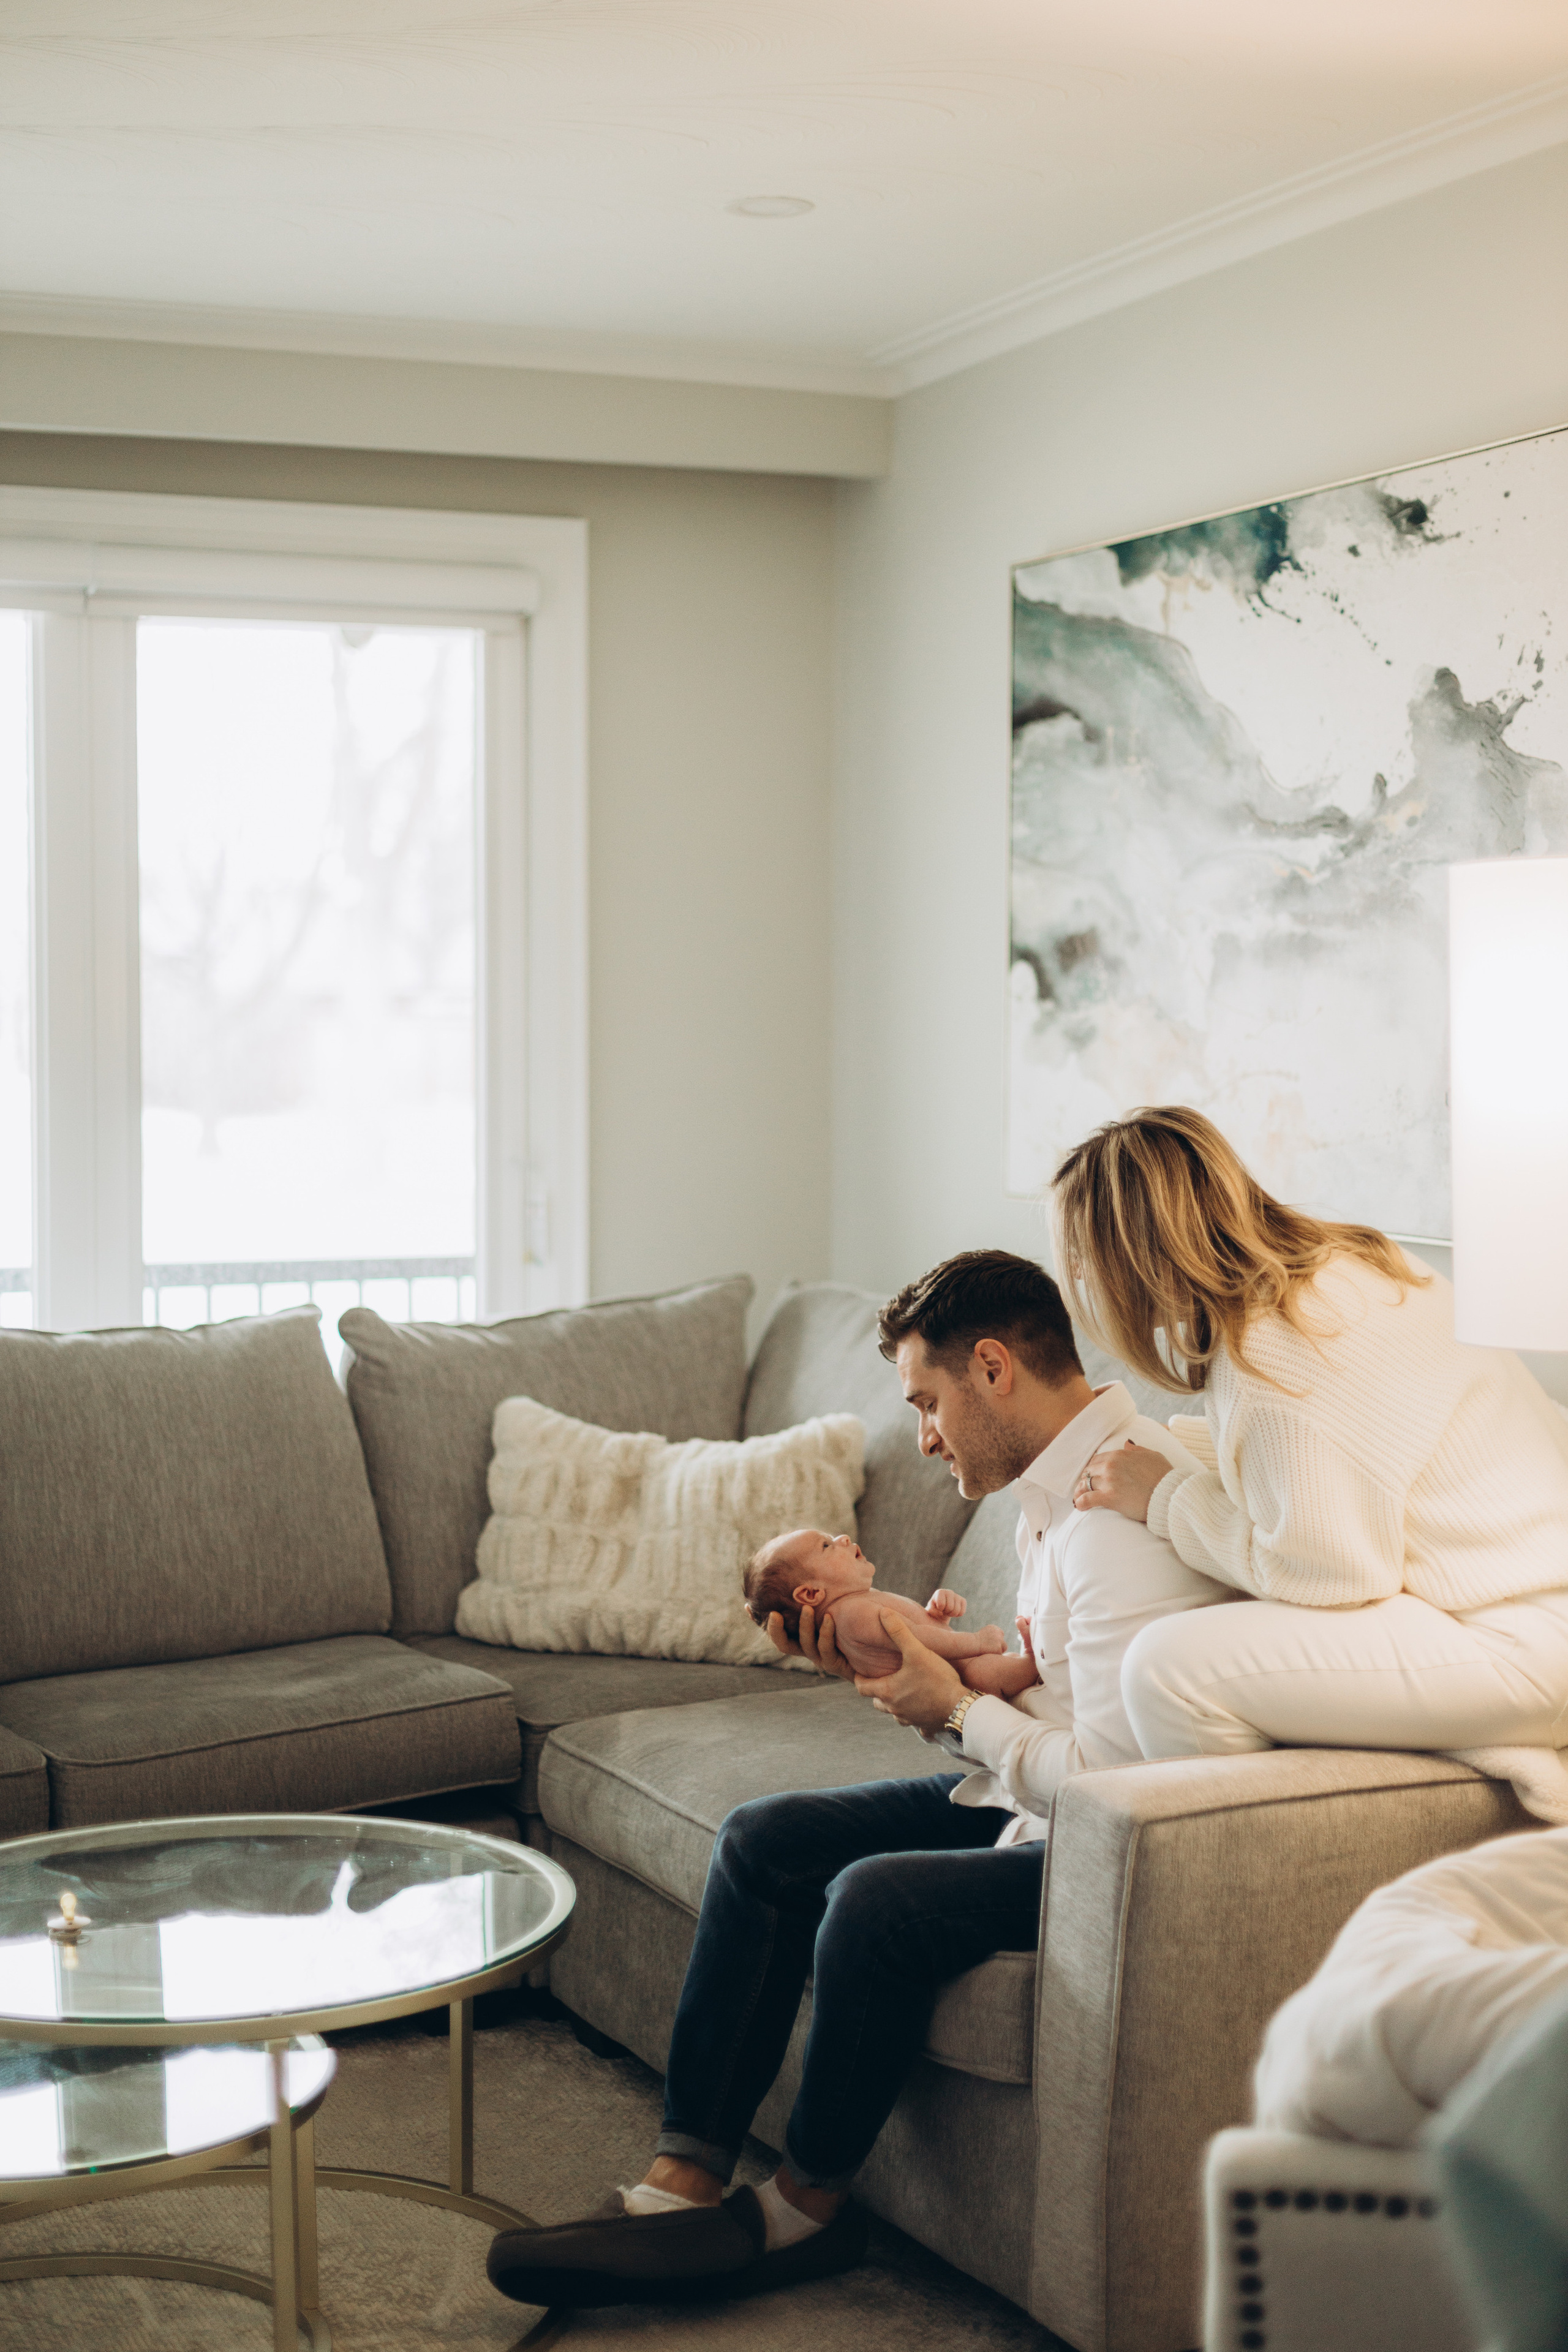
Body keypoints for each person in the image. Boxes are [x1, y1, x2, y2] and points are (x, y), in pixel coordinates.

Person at [486, 1248, 1231, 2313]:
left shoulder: (1114, 1519)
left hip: (1117, 1849)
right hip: (1032, 1802)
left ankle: (801, 2212)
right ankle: (686, 2178)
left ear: (991, 1370)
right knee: (762, 1838)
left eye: (927, 1403)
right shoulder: (1053, 1491)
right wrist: (910, 1689)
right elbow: (1029, 1707)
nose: (922, 1436)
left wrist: (959, 1712)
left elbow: (1117, 1788)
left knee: (873, 1900)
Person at [1053, 1105, 1568, 1766]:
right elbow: (1362, 1452)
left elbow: (1328, 1574)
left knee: (1163, 1669)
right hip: (1534, 1596)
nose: (1085, 1281)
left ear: (1128, 1256)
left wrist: (1167, 1498)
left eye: (1082, 1258)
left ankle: (1250, 1866)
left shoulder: (1271, 1348)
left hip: (1521, 1641)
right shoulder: (1346, 1262)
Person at [742, 1527, 1039, 1694]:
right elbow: (916, 1640)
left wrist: (937, 1614)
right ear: (811, 1593)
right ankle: (1034, 1663)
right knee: (1012, 1669)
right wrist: (976, 1642)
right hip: (966, 1677)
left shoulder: (860, 1603)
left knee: (1010, 1671)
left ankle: (1032, 1666)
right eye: (826, 1546)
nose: (842, 1538)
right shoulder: (849, 1615)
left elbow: (917, 1630)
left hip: (955, 1672)